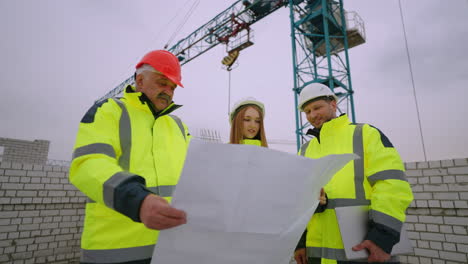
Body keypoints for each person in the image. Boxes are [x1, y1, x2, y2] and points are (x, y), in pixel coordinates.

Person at [69, 50, 190, 264]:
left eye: (172, 87)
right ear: (140, 81)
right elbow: (88, 164)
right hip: (115, 251)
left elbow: (197, 175)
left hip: (172, 248)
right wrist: (138, 201)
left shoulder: (179, 126)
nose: (168, 91)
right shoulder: (110, 111)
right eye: (162, 83)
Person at [293, 83, 413, 264]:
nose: (312, 115)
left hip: (365, 249)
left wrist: (382, 237)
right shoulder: (304, 150)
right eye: (307, 111)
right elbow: (298, 202)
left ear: (333, 104)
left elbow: (392, 185)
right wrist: (300, 243)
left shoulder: (365, 134)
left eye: (317, 107)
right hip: (318, 253)